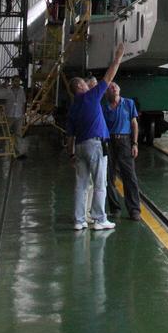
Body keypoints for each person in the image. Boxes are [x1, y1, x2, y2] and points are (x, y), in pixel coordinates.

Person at [65, 42, 125, 230]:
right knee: (100, 184)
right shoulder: (90, 96)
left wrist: (71, 154)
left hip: (80, 147)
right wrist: (118, 57)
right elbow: (109, 75)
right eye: (84, 82)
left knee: (81, 186)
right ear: (81, 87)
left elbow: (70, 136)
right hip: (95, 145)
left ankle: (79, 220)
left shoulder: (73, 107)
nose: (87, 83)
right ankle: (99, 219)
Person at [102, 82, 141, 221]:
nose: (114, 88)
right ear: (106, 93)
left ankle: (134, 210)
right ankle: (115, 208)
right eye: (110, 87)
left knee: (129, 176)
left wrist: (134, 143)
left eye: (116, 86)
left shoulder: (129, 104)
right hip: (108, 142)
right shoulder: (104, 108)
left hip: (125, 141)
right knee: (108, 177)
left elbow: (134, 124)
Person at [4, 76, 27, 159]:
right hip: (9, 115)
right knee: (5, 133)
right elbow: (4, 101)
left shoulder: (22, 90)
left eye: (18, 81)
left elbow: (23, 102)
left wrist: (24, 114)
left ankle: (19, 152)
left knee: (18, 134)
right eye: (15, 81)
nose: (17, 83)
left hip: (19, 115)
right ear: (12, 81)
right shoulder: (7, 90)